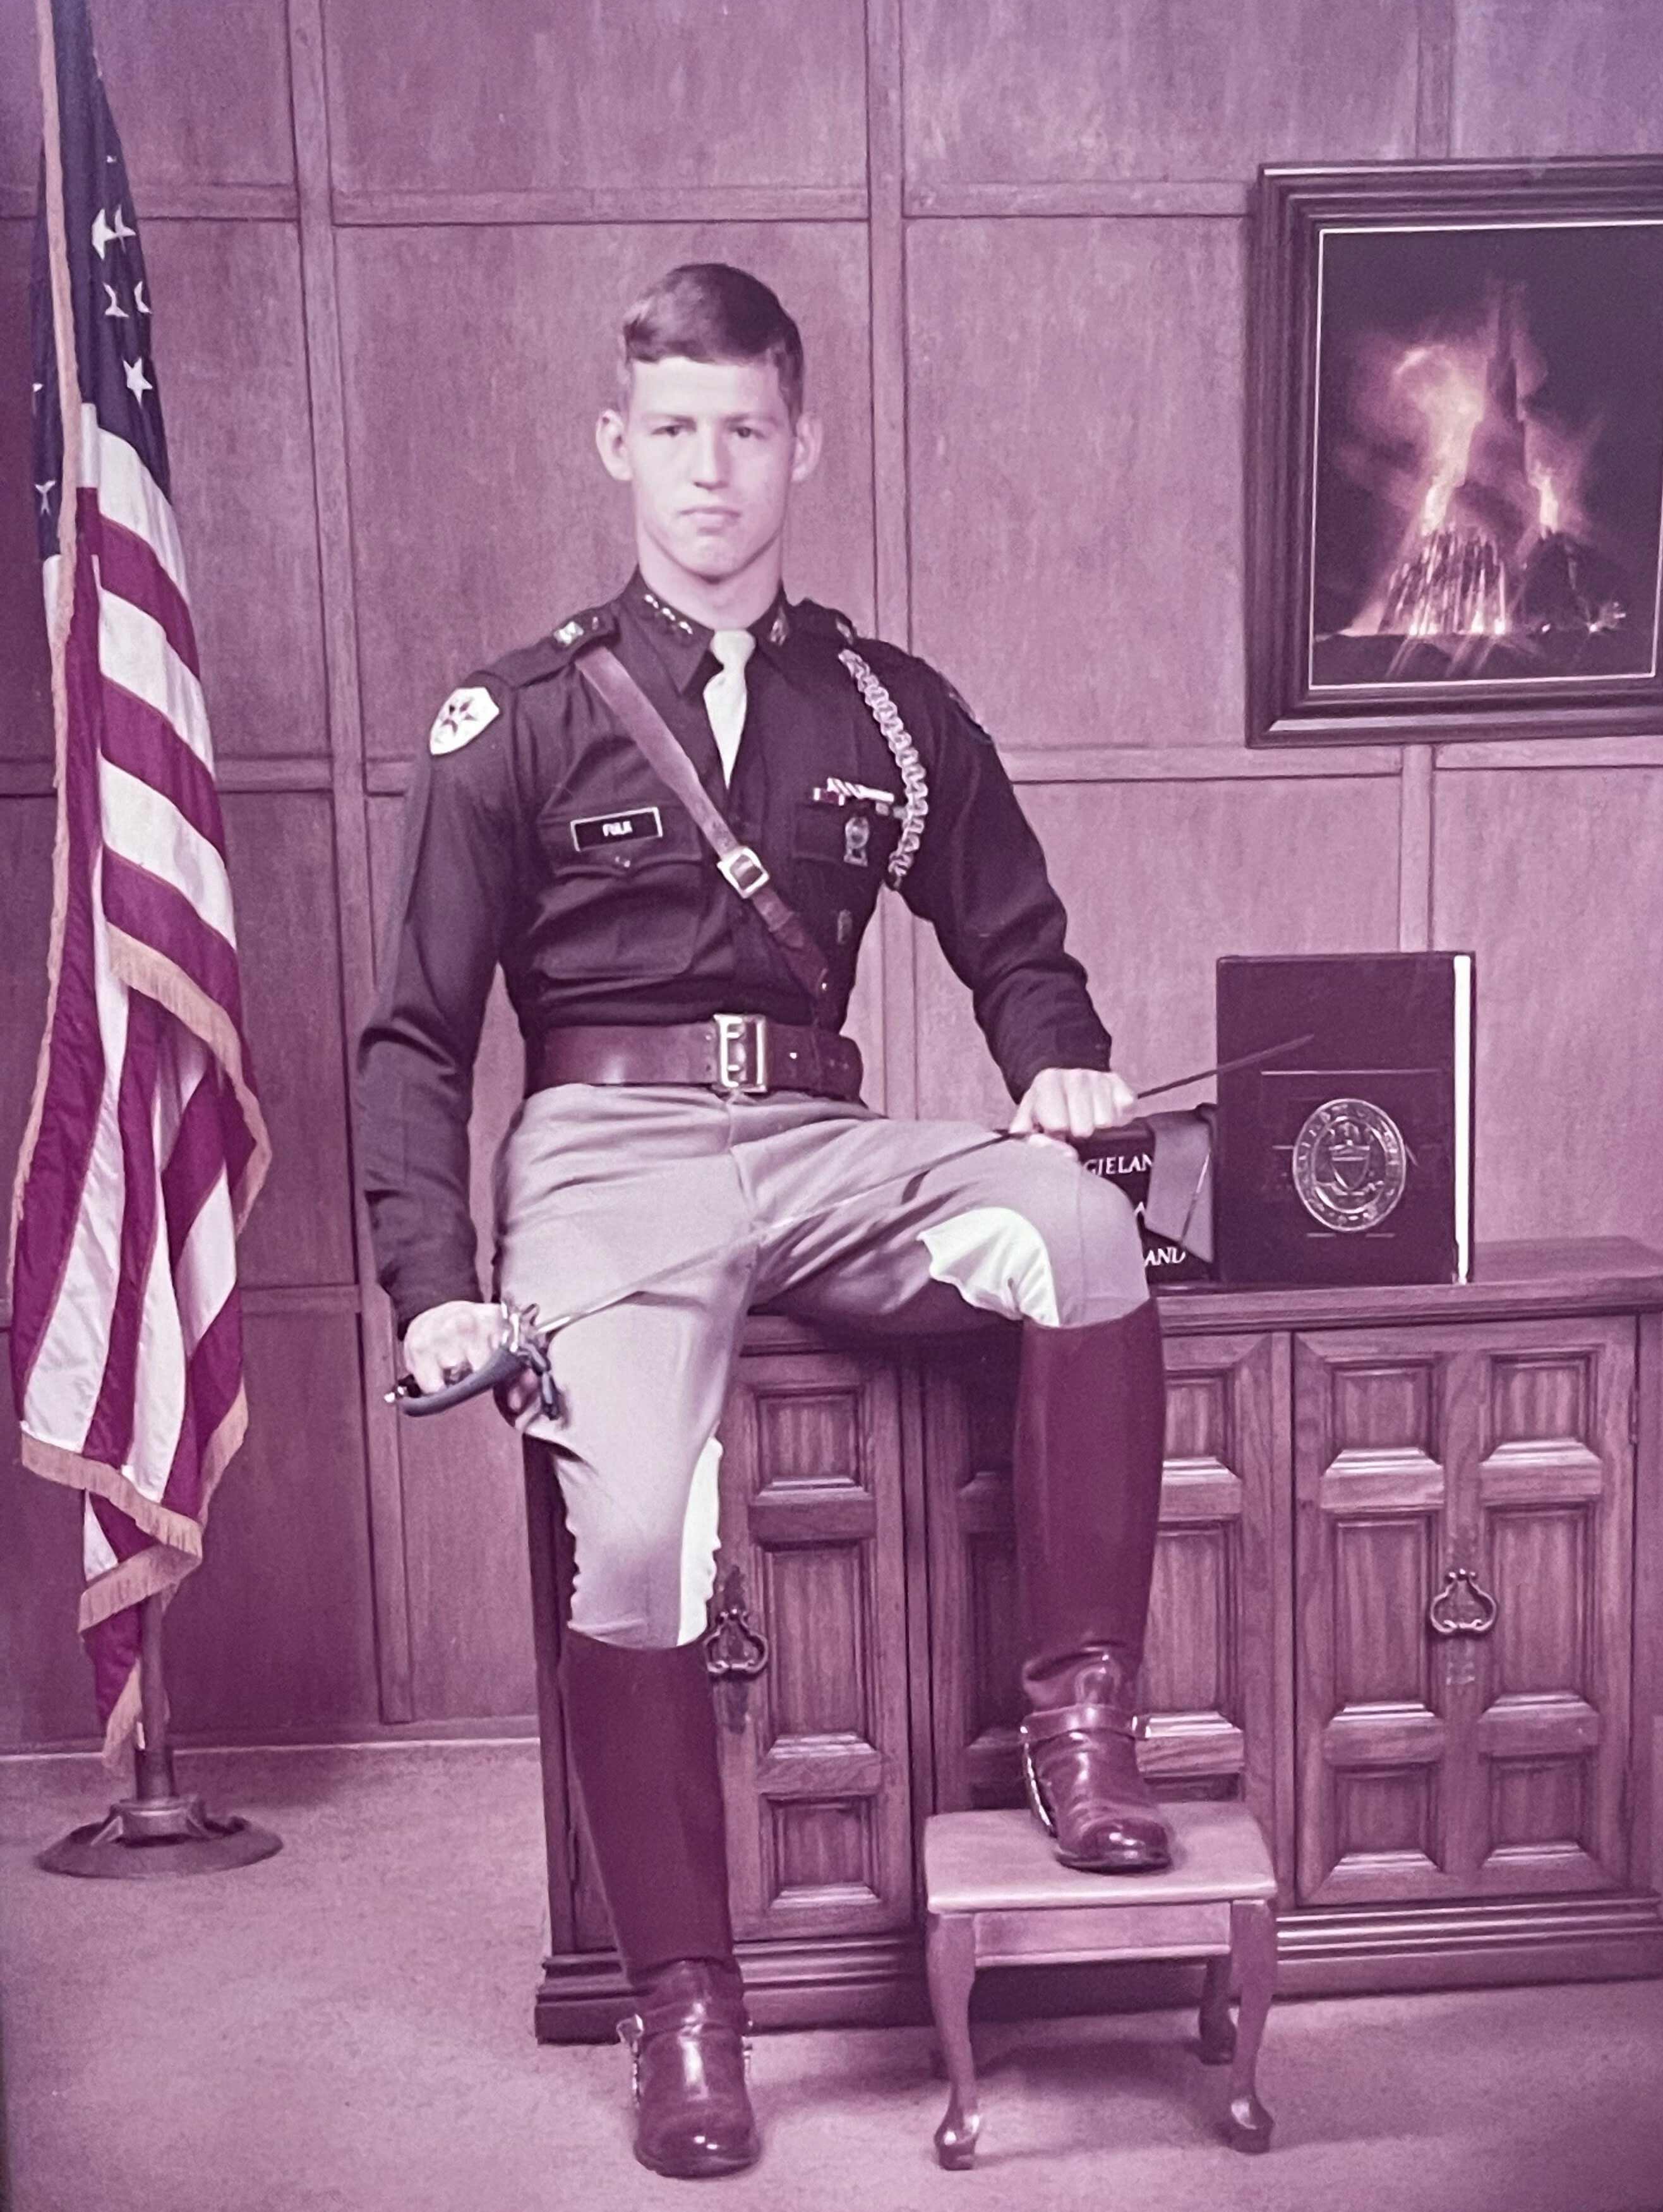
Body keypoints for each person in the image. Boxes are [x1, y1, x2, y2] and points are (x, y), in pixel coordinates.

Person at [356, 263, 1171, 2181]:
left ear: (799, 443)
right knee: (629, 1531)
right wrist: (429, 1287)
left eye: (745, 431)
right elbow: (412, 1032)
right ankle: (688, 2009)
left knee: (1084, 1230)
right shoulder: (519, 716)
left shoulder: (891, 709)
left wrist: (1059, 1065)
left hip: (820, 1134)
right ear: (614, 445)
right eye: (672, 432)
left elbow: (1019, 947)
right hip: (604, 1153)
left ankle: (1083, 1731)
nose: (707, 473)